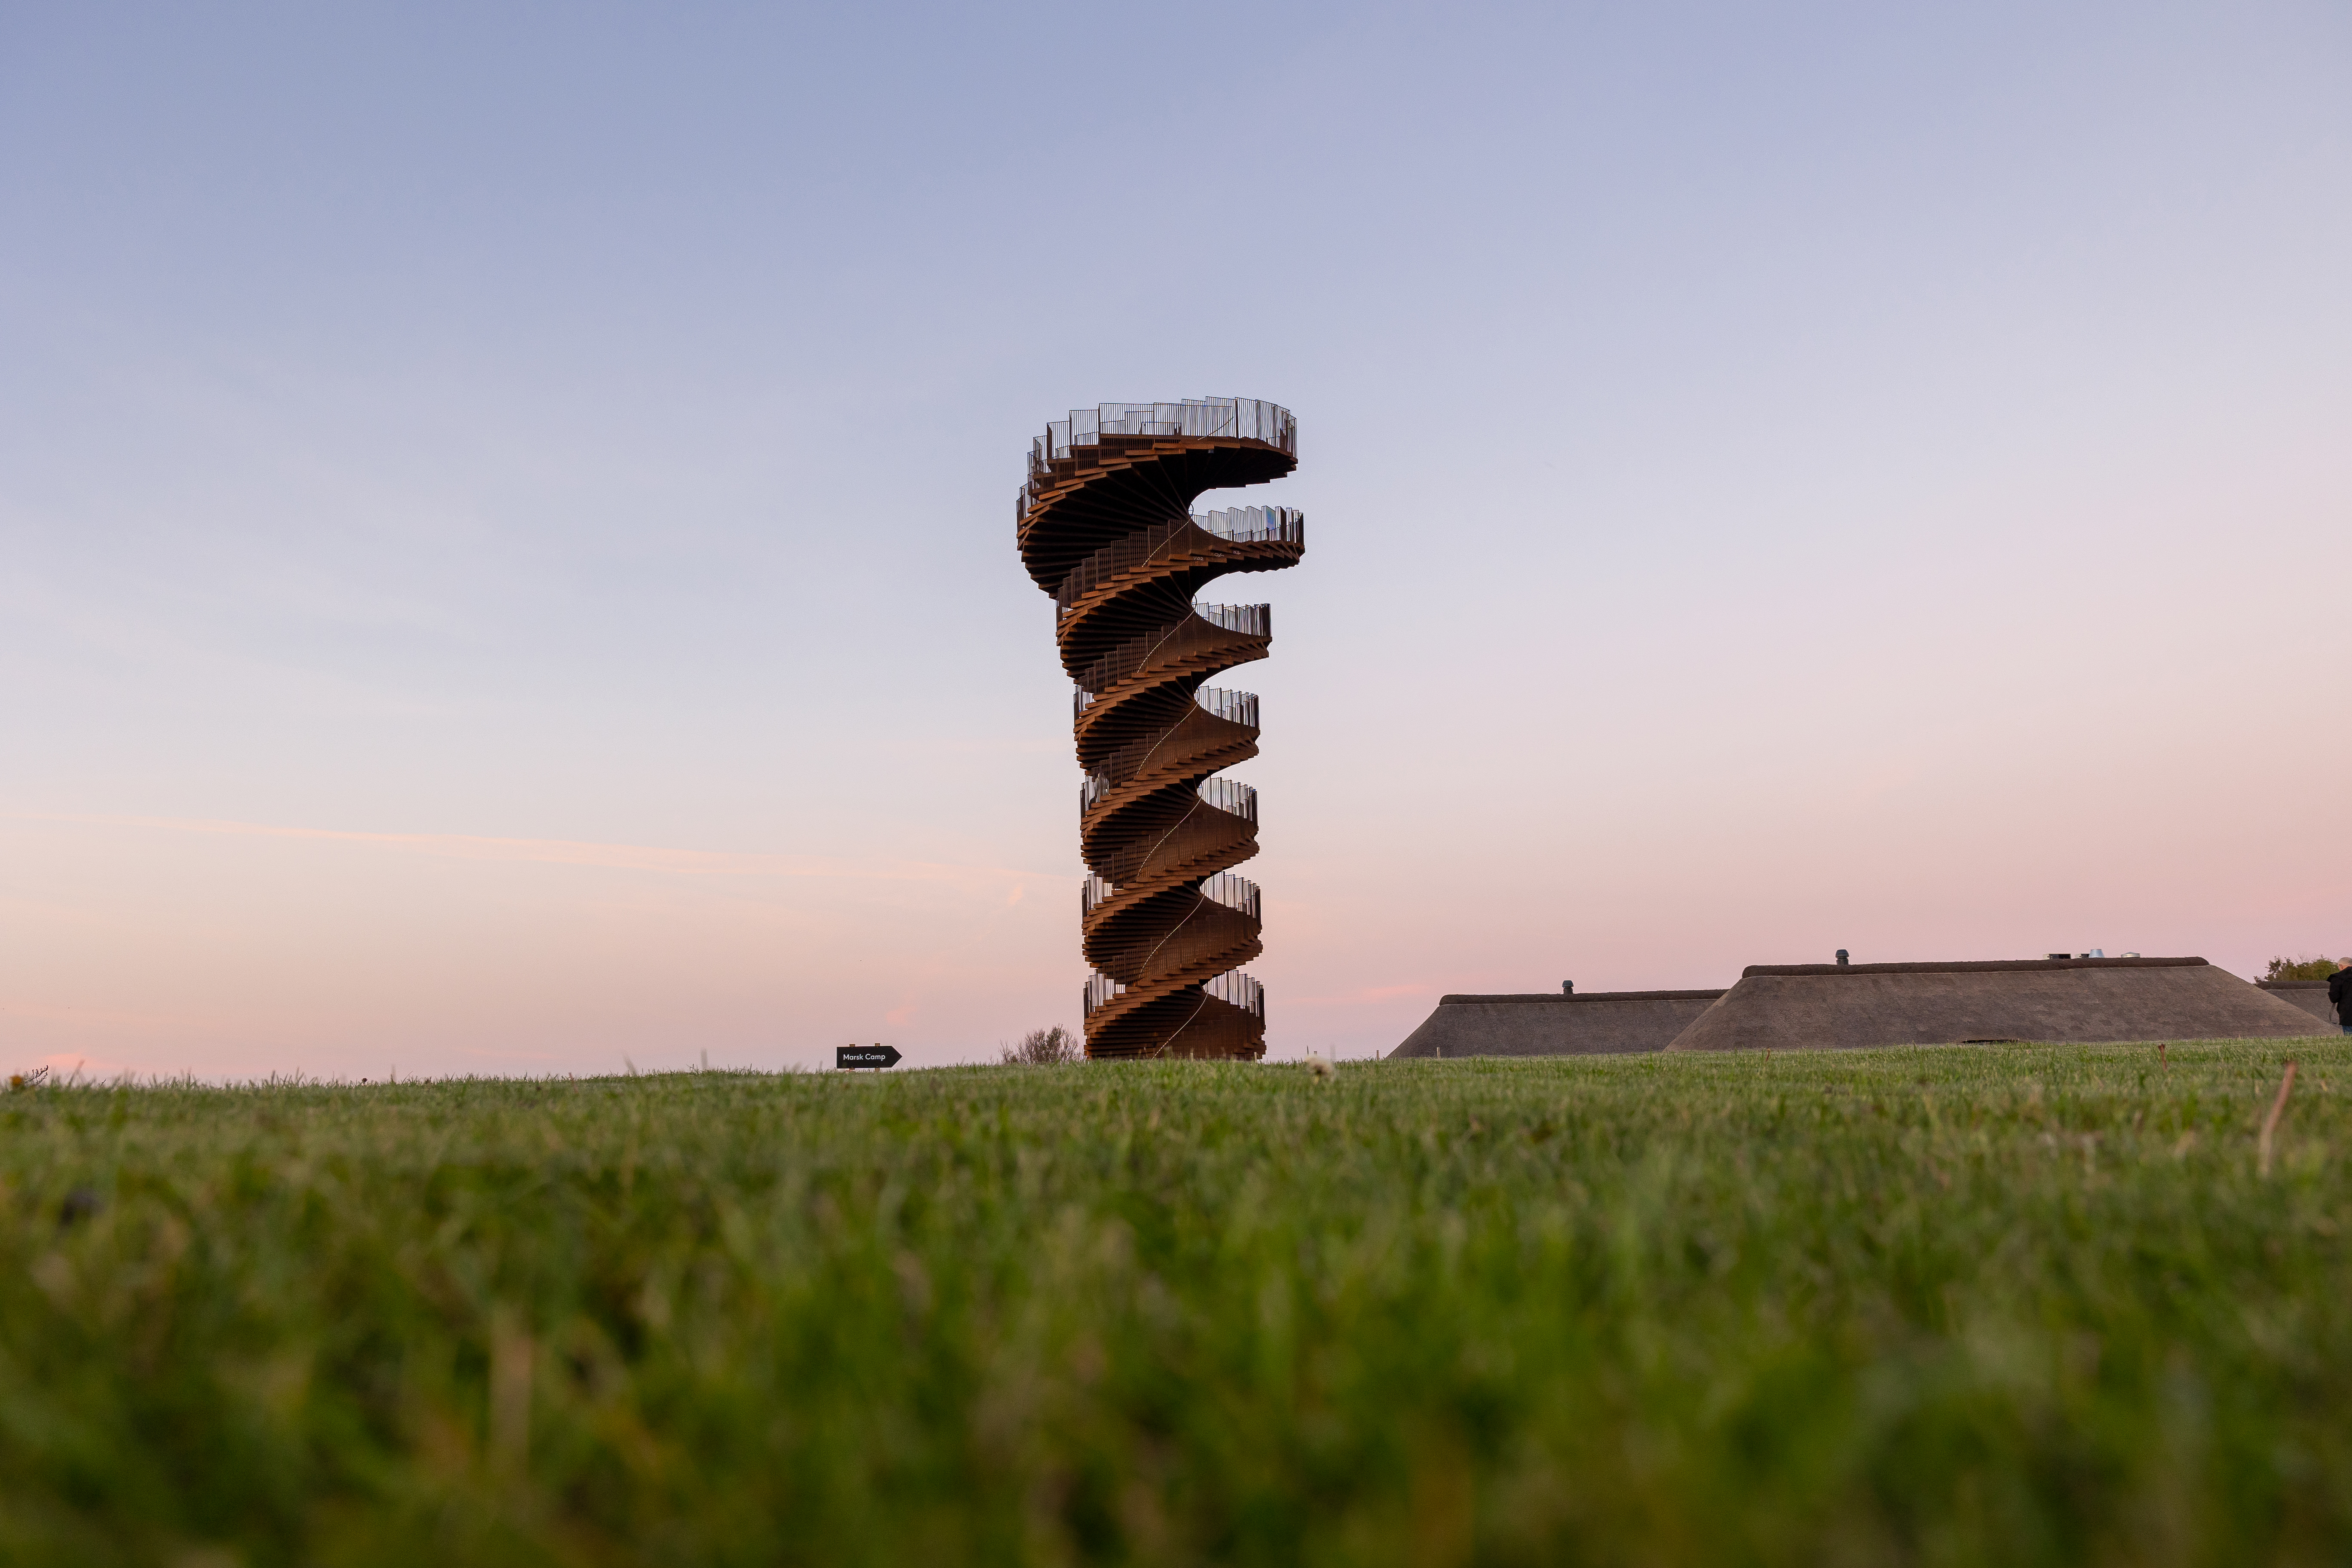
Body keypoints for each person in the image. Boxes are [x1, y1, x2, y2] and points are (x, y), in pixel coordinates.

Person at [2330, 961, 2352, 1034]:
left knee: (2350, 1039)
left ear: (2341, 966)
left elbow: (2334, 998)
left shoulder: (2338, 978)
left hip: (2348, 1014)